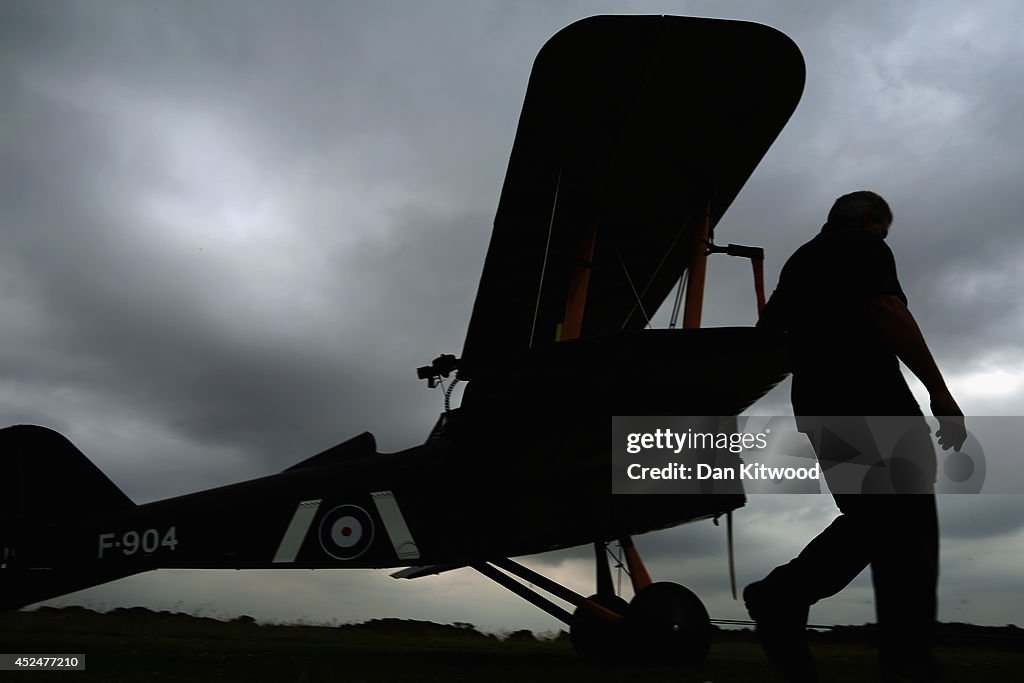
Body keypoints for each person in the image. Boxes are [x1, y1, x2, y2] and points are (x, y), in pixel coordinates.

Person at [746, 191, 967, 682]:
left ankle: (782, 598)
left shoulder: (799, 261)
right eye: (882, 230)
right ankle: (903, 657)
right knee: (906, 523)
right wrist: (940, 392)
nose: (883, 239)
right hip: (872, 398)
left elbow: (768, 336)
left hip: (819, 405)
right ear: (870, 220)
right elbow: (888, 307)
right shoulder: (863, 245)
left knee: (877, 518)